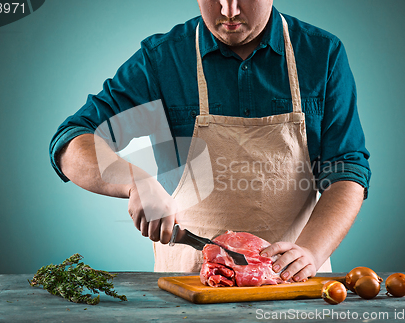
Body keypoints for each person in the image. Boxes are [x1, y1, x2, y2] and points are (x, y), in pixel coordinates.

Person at [49, 0, 370, 282]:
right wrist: (135, 181)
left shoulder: (322, 54)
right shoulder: (162, 60)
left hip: (295, 284)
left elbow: (346, 171)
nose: (229, 10)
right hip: (190, 289)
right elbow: (72, 140)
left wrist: (310, 252)